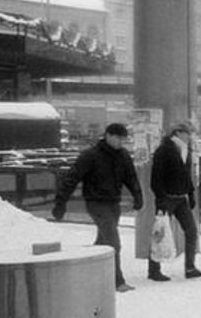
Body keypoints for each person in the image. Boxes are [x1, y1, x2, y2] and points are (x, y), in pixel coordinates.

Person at [51, 122, 143, 292]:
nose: (120, 142)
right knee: (113, 242)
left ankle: (87, 271)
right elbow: (72, 178)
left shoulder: (123, 155)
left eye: (123, 139)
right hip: (96, 203)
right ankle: (117, 281)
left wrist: (138, 195)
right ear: (107, 135)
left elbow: (130, 178)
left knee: (103, 242)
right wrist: (60, 203)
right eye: (118, 138)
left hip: (113, 203)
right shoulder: (90, 155)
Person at [148, 122, 201, 280]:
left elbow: (186, 175)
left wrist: (191, 193)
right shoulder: (164, 150)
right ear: (178, 133)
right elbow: (156, 176)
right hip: (167, 198)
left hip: (181, 198)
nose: (190, 137)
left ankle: (190, 267)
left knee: (191, 231)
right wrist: (160, 197)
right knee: (160, 233)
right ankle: (154, 269)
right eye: (188, 133)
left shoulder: (186, 150)